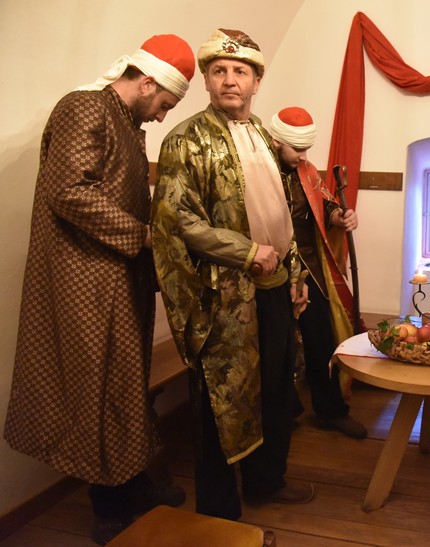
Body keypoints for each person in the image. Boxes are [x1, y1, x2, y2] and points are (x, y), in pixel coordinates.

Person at [3, 34, 196, 544]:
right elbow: (67, 190)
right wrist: (144, 235)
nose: (162, 115)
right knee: (98, 391)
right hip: (84, 281)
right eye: (165, 103)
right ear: (147, 82)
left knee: (124, 389)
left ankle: (132, 485)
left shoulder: (126, 122)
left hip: (114, 275)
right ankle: (108, 509)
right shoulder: (85, 106)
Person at [150, 28, 315, 521]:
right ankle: (220, 512)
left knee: (276, 390)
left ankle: (267, 481)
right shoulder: (185, 140)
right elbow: (178, 219)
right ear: (205, 79)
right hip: (222, 297)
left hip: (275, 288)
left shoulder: (262, 133)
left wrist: (295, 274)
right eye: (219, 71)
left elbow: (280, 213)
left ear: (256, 82)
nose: (229, 80)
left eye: (240, 71)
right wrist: (245, 252)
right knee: (220, 402)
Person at [268, 107, 367, 439]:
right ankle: (283, 411)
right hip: (271, 267)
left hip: (309, 266)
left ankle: (331, 410)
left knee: (321, 337)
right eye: (297, 149)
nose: (303, 156)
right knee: (276, 342)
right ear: (276, 142)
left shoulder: (306, 171)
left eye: (306, 149)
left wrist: (340, 216)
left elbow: (323, 204)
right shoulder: (258, 170)